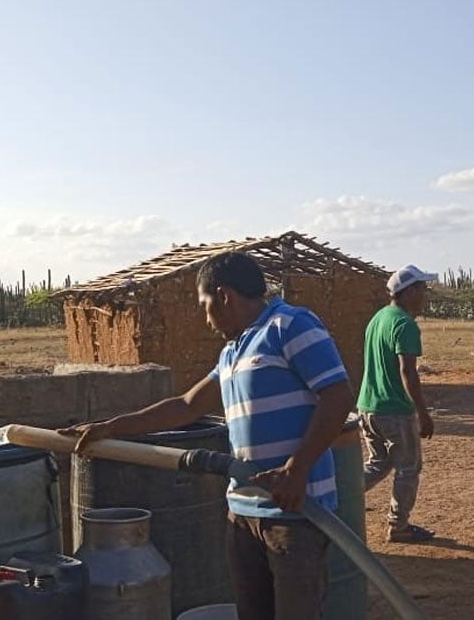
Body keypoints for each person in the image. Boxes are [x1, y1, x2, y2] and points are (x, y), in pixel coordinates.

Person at [60, 251, 354, 620]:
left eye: (204, 306)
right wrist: (111, 427)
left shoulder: (290, 325)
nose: (206, 318)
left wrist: (297, 469)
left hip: (293, 512)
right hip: (243, 512)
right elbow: (187, 405)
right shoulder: (231, 352)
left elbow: (338, 396)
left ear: (224, 296)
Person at [357, 264, 437, 543]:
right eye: (422, 289)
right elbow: (407, 372)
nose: (425, 295)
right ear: (410, 291)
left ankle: (338, 499)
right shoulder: (404, 324)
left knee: (378, 463)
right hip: (393, 410)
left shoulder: (379, 318)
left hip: (368, 406)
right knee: (408, 468)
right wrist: (422, 413)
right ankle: (399, 526)